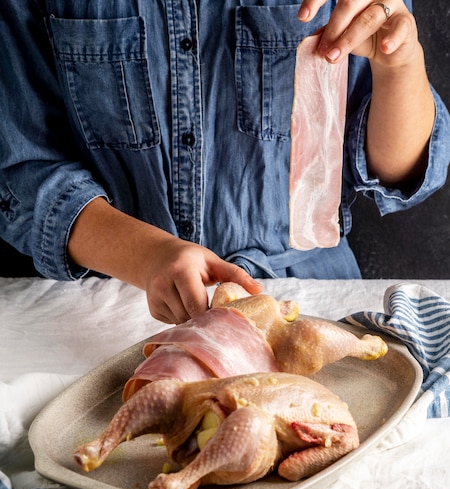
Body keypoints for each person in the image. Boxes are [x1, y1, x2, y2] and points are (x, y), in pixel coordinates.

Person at [0, 1, 448, 324]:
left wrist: (399, 65)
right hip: (111, 305)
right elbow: (24, 168)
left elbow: (397, 171)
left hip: (310, 303)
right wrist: (148, 256)